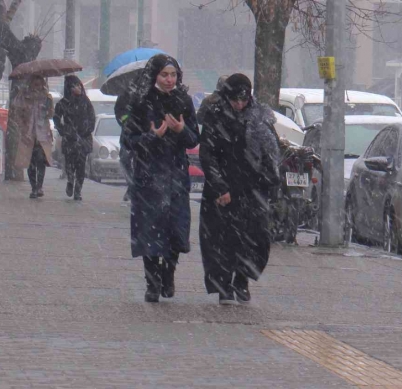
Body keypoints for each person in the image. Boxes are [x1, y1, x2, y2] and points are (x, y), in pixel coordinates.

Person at [122, 54, 200, 303]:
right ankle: (152, 282)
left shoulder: (184, 101)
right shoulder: (141, 101)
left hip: (176, 175)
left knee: (176, 231)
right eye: (164, 75)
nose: (169, 80)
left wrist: (180, 130)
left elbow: (194, 139)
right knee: (149, 233)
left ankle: (169, 271)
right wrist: (151, 136)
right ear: (155, 75)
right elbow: (128, 141)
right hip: (148, 176)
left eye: (173, 75)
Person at [198, 73, 280, 305]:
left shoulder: (260, 119)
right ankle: (224, 284)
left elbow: (270, 155)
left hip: (252, 190)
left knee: (255, 238)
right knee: (221, 240)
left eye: (244, 100)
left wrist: (269, 183)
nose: (239, 105)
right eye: (235, 99)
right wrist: (220, 186)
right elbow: (208, 154)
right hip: (223, 191)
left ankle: (242, 278)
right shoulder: (216, 118)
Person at [10, 75, 54, 199]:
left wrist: (48, 106)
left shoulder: (46, 98)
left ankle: (39, 187)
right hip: (28, 133)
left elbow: (51, 114)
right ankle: (33, 187)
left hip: (42, 134)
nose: (37, 87)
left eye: (39, 85)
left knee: (41, 160)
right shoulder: (24, 97)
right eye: (35, 84)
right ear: (30, 84)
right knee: (30, 161)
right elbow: (16, 113)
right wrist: (22, 126)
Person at [53, 75, 96, 200]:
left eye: (78, 85)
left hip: (83, 138)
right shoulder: (63, 103)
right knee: (69, 163)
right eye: (74, 86)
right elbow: (56, 118)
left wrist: (87, 131)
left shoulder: (85, 101)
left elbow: (91, 117)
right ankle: (70, 180)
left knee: (81, 166)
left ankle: (78, 190)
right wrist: (63, 130)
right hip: (70, 138)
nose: (77, 88)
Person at [115, 89, 133, 203]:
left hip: (145, 135)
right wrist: (127, 119)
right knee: (124, 161)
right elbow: (119, 112)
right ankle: (132, 185)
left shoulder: (150, 92)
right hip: (128, 135)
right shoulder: (124, 95)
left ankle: (135, 189)